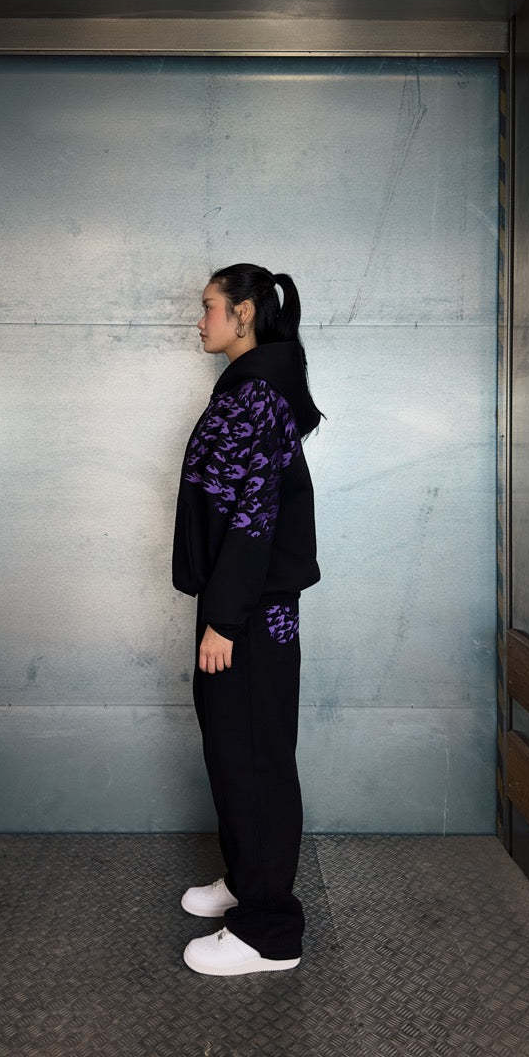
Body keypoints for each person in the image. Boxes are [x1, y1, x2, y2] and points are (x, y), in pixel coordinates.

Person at [171, 264, 325, 976]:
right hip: (241, 604)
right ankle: (246, 879)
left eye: (209, 307)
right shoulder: (251, 386)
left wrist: (225, 621)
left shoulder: (257, 393)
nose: (199, 320)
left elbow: (253, 517)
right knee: (234, 746)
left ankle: (270, 931)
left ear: (243, 315)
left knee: (255, 757)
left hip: (251, 613)